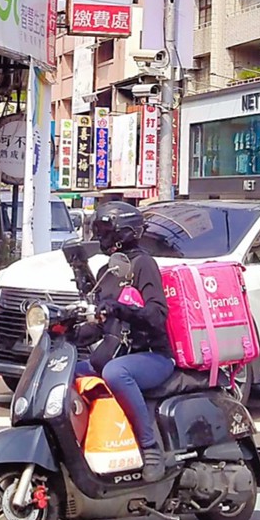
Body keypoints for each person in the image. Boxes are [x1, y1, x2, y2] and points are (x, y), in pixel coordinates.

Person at [78, 200, 174, 482]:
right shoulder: (105, 272)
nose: (100, 237)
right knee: (68, 369)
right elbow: (99, 326)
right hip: (119, 352)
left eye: (106, 231)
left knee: (115, 373)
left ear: (124, 233)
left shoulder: (143, 264)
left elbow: (157, 316)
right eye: (98, 230)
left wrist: (122, 310)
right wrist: (62, 332)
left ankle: (149, 447)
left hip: (153, 355)